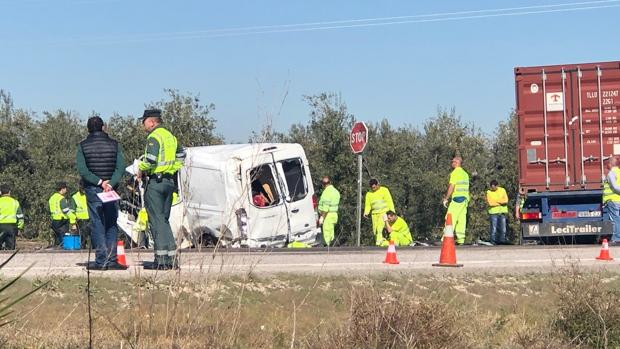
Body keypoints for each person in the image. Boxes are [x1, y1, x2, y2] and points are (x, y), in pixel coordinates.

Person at [136, 109, 185, 270]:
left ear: (151, 122)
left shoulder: (154, 137)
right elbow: (182, 155)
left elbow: (150, 160)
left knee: (157, 221)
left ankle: (163, 260)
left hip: (156, 182)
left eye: (144, 121)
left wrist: (140, 167)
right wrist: (173, 168)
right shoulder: (170, 137)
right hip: (169, 181)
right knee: (164, 219)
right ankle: (170, 259)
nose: (143, 125)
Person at [76, 116, 126, 270]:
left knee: (97, 223)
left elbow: (83, 170)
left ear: (88, 129)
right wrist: (110, 183)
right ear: (103, 127)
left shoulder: (83, 146)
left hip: (93, 189)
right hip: (111, 190)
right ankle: (112, 260)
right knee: (111, 223)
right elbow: (121, 167)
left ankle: (101, 260)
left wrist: (99, 182)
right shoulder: (114, 144)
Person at [442, 156, 469, 245]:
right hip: (464, 200)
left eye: (453, 162)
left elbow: (451, 186)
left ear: (457, 163)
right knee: (461, 220)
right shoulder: (465, 174)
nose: (452, 163)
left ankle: (446, 238)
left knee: (450, 217)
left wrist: (446, 198)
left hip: (457, 199)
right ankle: (461, 239)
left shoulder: (455, 173)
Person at [364, 178, 395, 246]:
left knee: (379, 228)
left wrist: (392, 212)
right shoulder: (369, 194)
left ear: (378, 185)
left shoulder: (384, 190)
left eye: (375, 187)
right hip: (374, 214)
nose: (373, 189)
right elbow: (368, 205)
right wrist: (366, 212)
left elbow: (389, 201)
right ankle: (382, 243)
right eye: (372, 188)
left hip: (384, 212)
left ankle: (378, 244)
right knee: (375, 231)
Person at [49, 182, 76, 248]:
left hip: (54, 221)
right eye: (65, 188)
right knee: (63, 238)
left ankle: (57, 250)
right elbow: (66, 211)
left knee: (57, 238)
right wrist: (73, 219)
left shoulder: (52, 198)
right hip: (62, 221)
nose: (66, 190)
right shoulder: (61, 198)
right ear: (62, 189)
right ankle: (63, 251)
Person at [317, 176, 340, 246]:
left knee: (327, 233)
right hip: (334, 215)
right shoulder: (336, 191)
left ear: (323, 184)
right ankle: (332, 247)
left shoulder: (326, 192)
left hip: (327, 215)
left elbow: (326, 207)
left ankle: (328, 250)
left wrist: (322, 218)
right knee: (331, 233)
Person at [0, 184, 24, 250]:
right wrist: (19, 228)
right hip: (11, 227)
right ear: (9, 192)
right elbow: (20, 216)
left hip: (0, 227)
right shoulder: (15, 202)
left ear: (0, 192)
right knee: (10, 249)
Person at [603, 156, 620, 245]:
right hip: (618, 200)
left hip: (613, 200)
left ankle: (616, 238)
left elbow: (614, 187)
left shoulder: (611, 173)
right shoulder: (619, 172)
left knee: (615, 219)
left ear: (610, 164)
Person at [486, 180, 509, 245]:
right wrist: (501, 202)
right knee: (494, 228)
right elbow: (490, 203)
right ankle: (493, 241)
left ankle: (502, 241)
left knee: (503, 229)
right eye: (491, 187)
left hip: (502, 212)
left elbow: (506, 200)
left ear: (497, 186)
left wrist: (496, 201)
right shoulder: (489, 192)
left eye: (494, 187)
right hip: (493, 213)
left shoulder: (502, 190)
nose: (492, 189)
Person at [71, 183, 91, 249]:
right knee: (83, 238)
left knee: (94, 237)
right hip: (81, 220)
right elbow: (72, 212)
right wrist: (73, 223)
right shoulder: (75, 197)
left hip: (91, 219)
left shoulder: (89, 194)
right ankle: (82, 249)